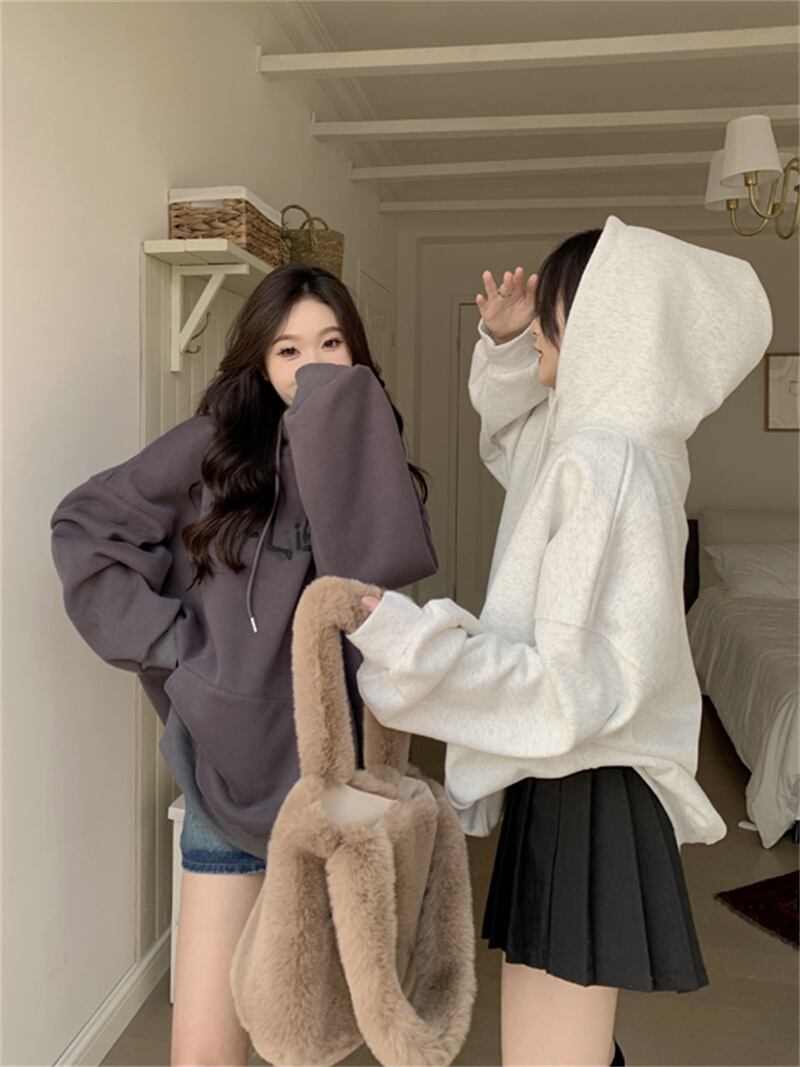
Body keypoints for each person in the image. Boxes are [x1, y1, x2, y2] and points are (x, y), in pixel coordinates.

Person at [346, 214, 773, 1067]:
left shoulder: (606, 461)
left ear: (608, 322)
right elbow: (523, 440)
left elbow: (567, 686)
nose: (539, 317)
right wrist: (511, 349)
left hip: (584, 780)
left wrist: (408, 645)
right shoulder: (614, 445)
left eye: (558, 307)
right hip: (577, 778)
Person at [49, 262, 438, 1067]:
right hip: (226, 775)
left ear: (357, 354)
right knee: (204, 1048)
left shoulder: (373, 457)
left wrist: (344, 440)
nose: (311, 365)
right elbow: (86, 524)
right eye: (288, 350)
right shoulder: (212, 448)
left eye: (331, 344)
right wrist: (175, 649)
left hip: (342, 784)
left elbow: (378, 582)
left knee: (317, 1032)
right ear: (260, 363)